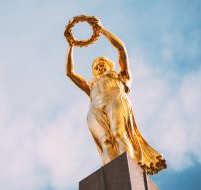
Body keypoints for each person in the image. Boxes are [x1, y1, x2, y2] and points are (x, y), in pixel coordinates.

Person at [65, 23, 166, 174]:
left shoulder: (121, 76)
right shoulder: (91, 86)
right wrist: (71, 46)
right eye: (96, 67)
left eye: (102, 64)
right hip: (95, 109)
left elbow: (121, 49)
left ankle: (129, 169)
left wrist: (101, 30)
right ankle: (111, 174)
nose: (99, 67)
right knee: (106, 142)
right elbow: (70, 73)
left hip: (115, 100)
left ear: (109, 65)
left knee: (119, 135)